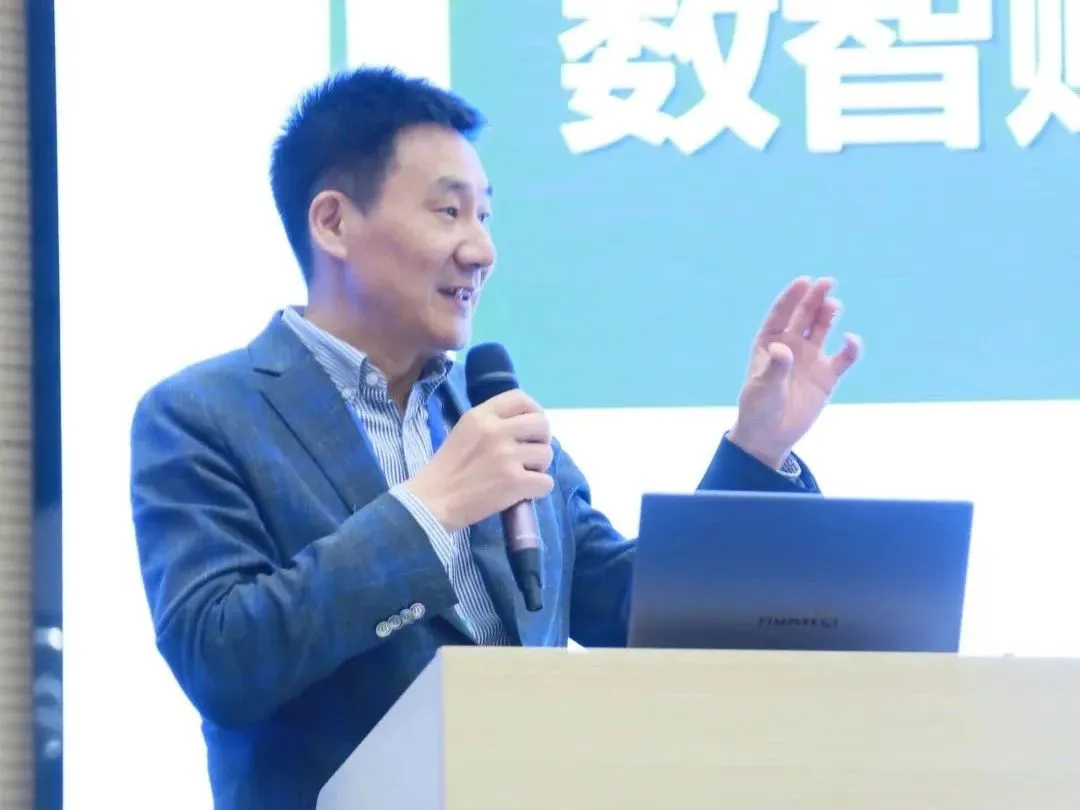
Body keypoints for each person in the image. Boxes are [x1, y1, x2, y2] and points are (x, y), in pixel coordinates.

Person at [129, 66, 861, 810]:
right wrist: (429, 511)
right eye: (449, 212)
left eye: (485, 216)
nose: (481, 250)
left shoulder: (487, 410)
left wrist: (756, 449)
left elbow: (638, 613)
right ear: (333, 224)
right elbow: (221, 658)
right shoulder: (203, 415)